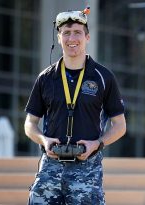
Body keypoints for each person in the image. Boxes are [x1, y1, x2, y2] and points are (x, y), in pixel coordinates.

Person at [24, 7, 126, 204]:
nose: (72, 38)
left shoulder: (103, 77)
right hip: (50, 169)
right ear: (59, 37)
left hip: (87, 169)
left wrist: (97, 144)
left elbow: (120, 126)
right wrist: (44, 140)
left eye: (78, 32)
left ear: (87, 37)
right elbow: (30, 123)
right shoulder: (46, 78)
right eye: (66, 32)